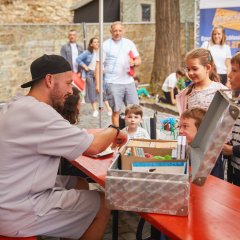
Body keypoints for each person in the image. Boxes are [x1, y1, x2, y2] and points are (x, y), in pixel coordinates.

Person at [0, 54, 128, 239]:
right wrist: (114, 129)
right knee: (101, 202)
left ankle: (70, 225)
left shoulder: (18, 105)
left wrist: (102, 132)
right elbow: (94, 147)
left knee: (80, 183)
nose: (71, 90)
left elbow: (74, 133)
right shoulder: (40, 113)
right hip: (16, 210)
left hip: (12, 193)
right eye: (68, 83)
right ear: (50, 80)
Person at [102, 21, 141, 126]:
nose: (117, 33)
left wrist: (134, 63)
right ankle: (117, 135)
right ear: (111, 31)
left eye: (120, 30)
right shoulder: (105, 45)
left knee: (135, 110)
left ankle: (134, 134)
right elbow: (99, 64)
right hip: (112, 83)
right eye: (115, 31)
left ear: (123, 31)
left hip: (129, 82)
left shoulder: (129, 43)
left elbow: (138, 60)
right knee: (116, 111)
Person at [176, 48, 228, 115]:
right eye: (188, 69)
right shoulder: (186, 93)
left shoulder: (222, 91)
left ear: (208, 68)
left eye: (195, 69)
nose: (190, 73)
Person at [179, 107, 224, 179]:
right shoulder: (192, 148)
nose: (180, 131)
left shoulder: (209, 155)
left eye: (185, 126)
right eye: (179, 126)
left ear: (201, 130)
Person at [76, 37, 112, 117]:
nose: (96, 43)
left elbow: (106, 62)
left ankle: (109, 108)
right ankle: (95, 110)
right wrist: (85, 66)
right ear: (91, 44)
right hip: (90, 73)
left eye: (97, 42)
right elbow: (78, 59)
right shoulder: (87, 53)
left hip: (99, 73)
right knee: (92, 91)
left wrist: (104, 69)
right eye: (94, 42)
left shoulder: (102, 52)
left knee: (102, 90)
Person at [222, 52, 240, 186]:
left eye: (234, 70)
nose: (229, 75)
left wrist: (232, 150)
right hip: (235, 170)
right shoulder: (236, 103)